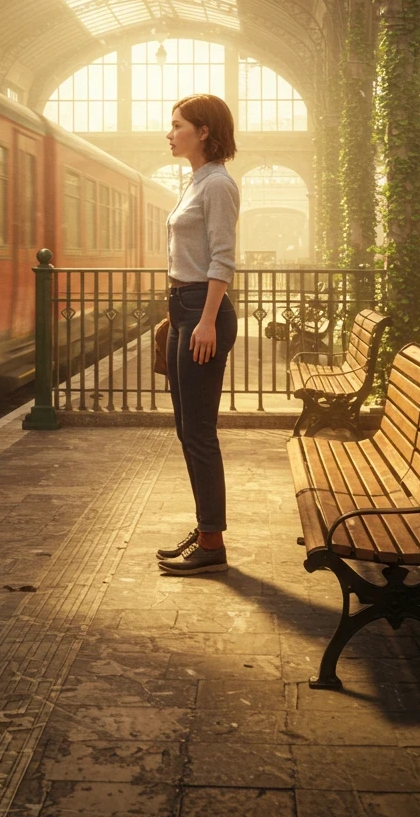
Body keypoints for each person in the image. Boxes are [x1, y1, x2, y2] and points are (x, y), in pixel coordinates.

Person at [157, 94, 240, 576]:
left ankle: (212, 542)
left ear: (203, 131)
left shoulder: (218, 186)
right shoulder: (195, 182)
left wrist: (206, 320)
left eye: (177, 125)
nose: (169, 133)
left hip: (202, 313)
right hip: (184, 309)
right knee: (187, 429)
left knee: (201, 432)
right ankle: (206, 528)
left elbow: (222, 258)